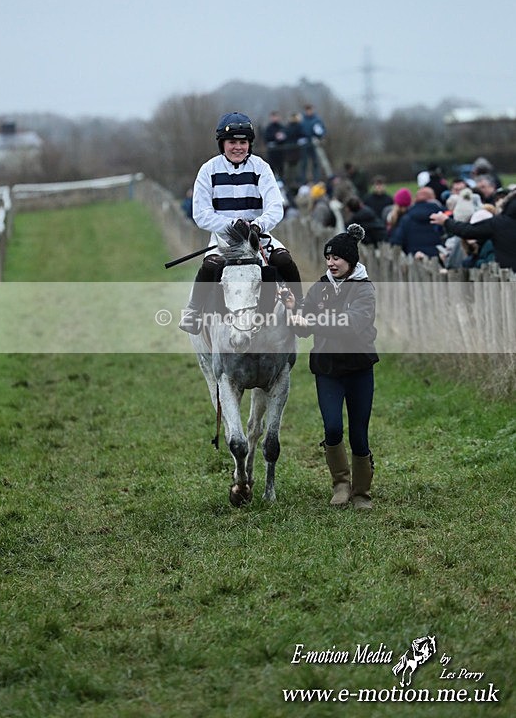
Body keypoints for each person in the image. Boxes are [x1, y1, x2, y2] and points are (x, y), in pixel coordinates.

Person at [179, 112, 303, 333]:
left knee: (283, 260)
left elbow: (275, 207)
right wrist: (230, 224)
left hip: (257, 237)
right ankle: (193, 311)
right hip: (223, 240)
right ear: (222, 144)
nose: (238, 147)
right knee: (210, 266)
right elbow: (201, 213)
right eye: (232, 142)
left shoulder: (261, 168)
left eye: (243, 142)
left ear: (249, 144)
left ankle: (300, 310)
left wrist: (258, 225)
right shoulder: (208, 170)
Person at [286, 224, 379, 509]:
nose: (331, 263)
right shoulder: (321, 287)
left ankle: (361, 492)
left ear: (351, 260)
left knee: (359, 435)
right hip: (327, 369)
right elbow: (303, 324)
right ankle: (341, 484)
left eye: (336, 258)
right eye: (328, 258)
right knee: (333, 428)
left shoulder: (364, 290)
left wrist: (312, 322)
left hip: (358, 368)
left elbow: (351, 325)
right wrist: (294, 310)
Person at [430, 188, 516, 273]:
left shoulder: (498, 223)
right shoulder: (499, 222)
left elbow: (467, 230)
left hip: (508, 275)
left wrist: (446, 221)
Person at [390, 186, 443, 258]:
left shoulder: (407, 218)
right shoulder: (441, 216)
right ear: (433, 198)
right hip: (437, 258)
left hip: (414, 258)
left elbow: (397, 241)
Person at [300, 104, 326, 184]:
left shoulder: (317, 120)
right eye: (307, 110)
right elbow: (299, 130)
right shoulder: (302, 120)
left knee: (315, 162)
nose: (309, 112)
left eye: (310, 110)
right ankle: (303, 181)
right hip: (305, 144)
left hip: (314, 143)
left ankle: (316, 180)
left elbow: (323, 131)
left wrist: (319, 133)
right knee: (304, 163)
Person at [263, 110, 287, 180]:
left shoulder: (282, 127)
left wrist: (281, 138)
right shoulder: (268, 128)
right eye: (273, 117)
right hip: (272, 152)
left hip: (281, 152)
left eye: (276, 117)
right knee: (271, 168)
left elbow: (285, 137)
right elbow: (266, 138)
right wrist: (275, 137)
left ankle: (282, 182)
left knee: (281, 169)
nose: (274, 118)